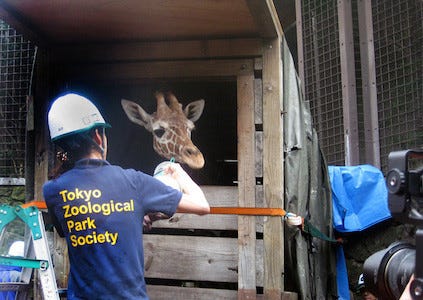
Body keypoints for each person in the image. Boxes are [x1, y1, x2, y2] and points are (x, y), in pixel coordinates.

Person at [43, 93, 210, 299]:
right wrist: (177, 172)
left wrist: (132, 215)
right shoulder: (134, 182)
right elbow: (202, 206)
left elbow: (77, 227)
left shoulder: (52, 190)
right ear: (98, 136)